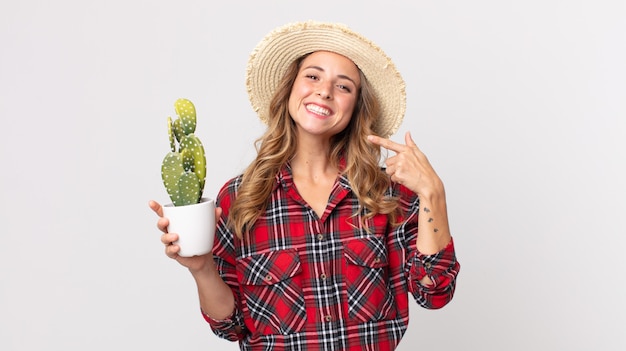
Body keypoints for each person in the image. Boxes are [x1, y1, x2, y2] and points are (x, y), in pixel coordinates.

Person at [149, 20, 460, 351]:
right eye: (313, 76)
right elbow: (232, 325)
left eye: (344, 86)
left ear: (356, 107)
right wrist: (201, 269)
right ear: (290, 89)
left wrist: (432, 193)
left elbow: (434, 292)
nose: (324, 90)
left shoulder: (387, 194)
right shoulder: (240, 198)